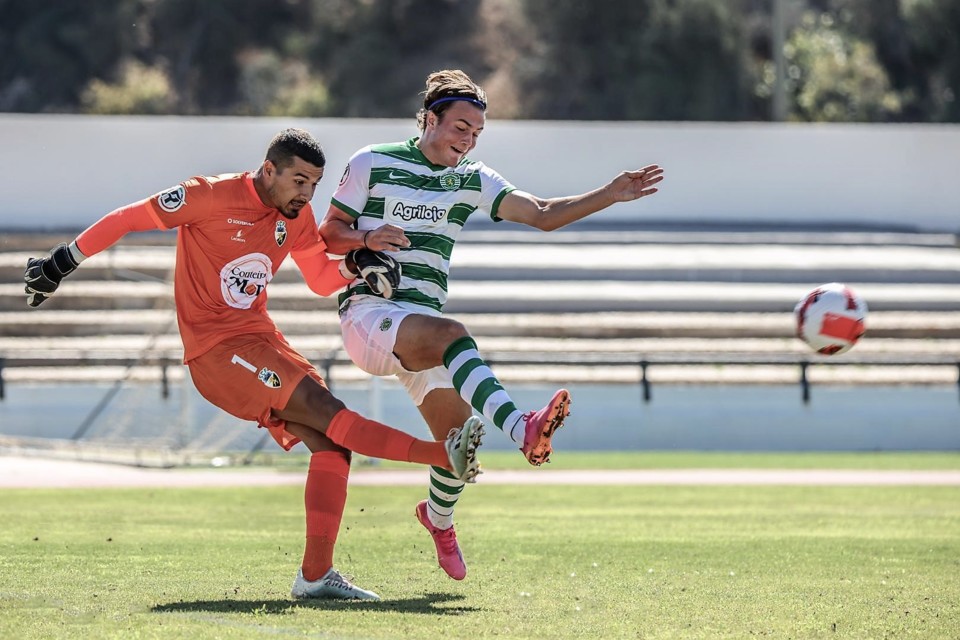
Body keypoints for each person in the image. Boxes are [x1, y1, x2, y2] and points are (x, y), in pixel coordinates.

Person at [22, 128, 484, 602]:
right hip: (217, 353)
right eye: (298, 181)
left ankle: (315, 576)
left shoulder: (296, 218)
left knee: (330, 445)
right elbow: (128, 218)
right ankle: (441, 455)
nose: (306, 194)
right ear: (269, 170)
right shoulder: (208, 195)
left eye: (314, 185)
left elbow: (321, 279)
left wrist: (357, 264)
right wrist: (61, 262)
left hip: (262, 341)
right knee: (328, 413)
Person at [319, 69, 664, 581]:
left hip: (422, 331)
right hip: (369, 316)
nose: (468, 140)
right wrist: (366, 242)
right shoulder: (372, 162)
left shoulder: (472, 179)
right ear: (430, 119)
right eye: (460, 127)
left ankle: (437, 519)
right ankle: (523, 426)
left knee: (458, 443)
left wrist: (609, 194)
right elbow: (330, 234)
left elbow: (543, 214)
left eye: (476, 133)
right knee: (455, 336)